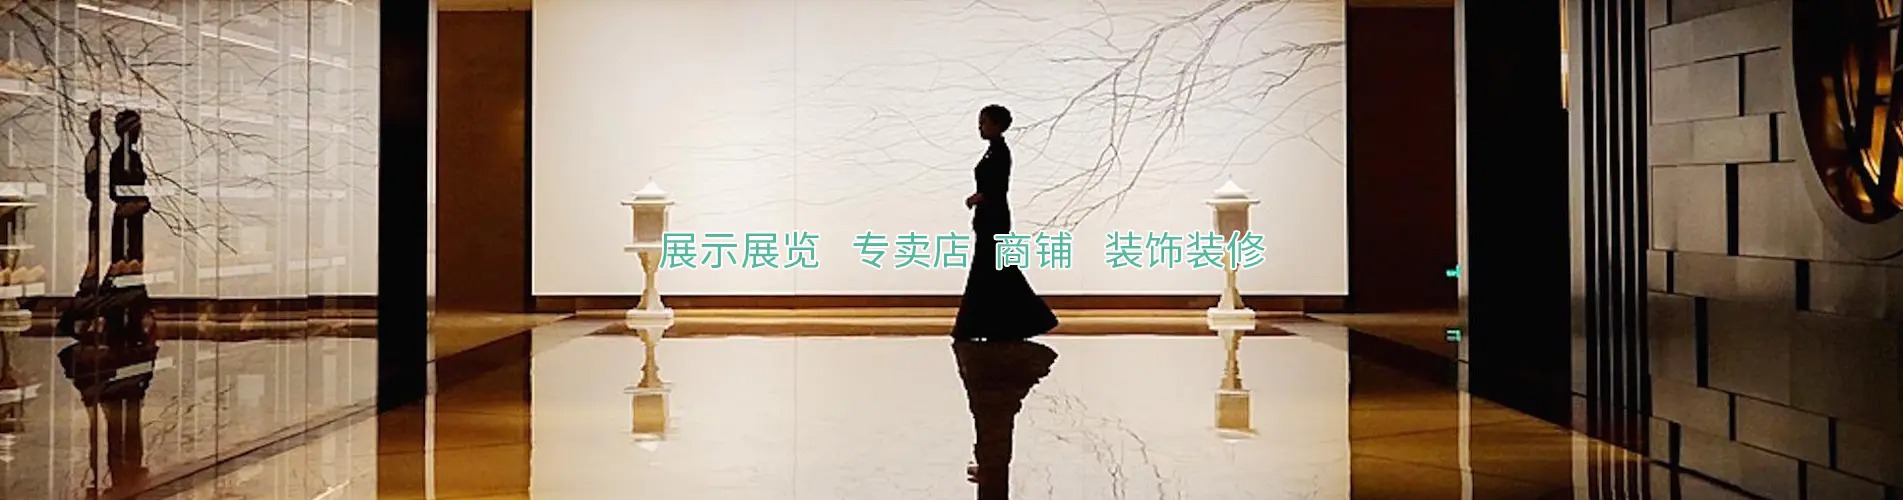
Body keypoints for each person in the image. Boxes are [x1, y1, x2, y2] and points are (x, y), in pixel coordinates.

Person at [952, 104, 1058, 341]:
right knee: (994, 269)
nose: (980, 127)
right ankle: (997, 324)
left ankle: (1025, 319)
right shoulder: (993, 151)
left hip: (994, 217)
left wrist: (979, 197)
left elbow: (998, 187)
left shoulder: (1000, 152)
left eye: (984, 122)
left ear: (998, 125)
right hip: (989, 216)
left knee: (995, 268)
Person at [108, 110, 149, 275]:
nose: (138, 134)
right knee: (124, 261)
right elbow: (114, 190)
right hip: (126, 217)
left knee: (135, 258)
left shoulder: (133, 157)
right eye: (136, 130)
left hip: (134, 218)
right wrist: (134, 203)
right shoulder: (119, 158)